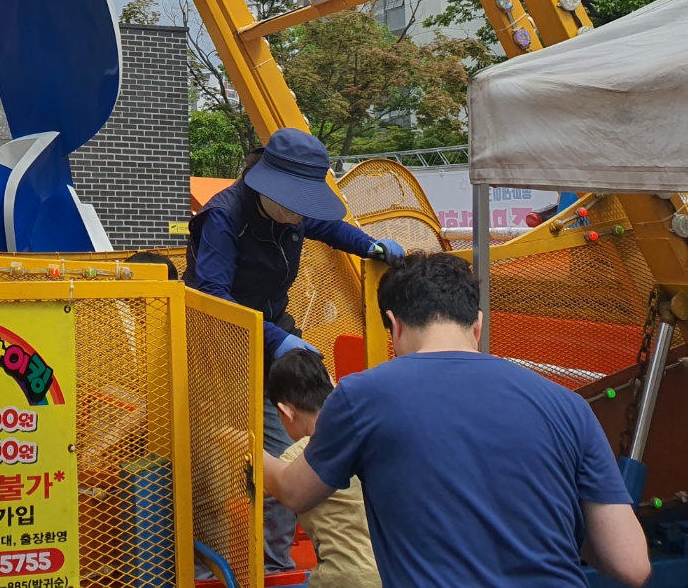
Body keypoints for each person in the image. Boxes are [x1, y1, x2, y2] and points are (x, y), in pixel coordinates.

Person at [264, 252, 651, 588]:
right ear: (477, 324)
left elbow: (296, 492)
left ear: (394, 324)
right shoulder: (569, 406)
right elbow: (631, 564)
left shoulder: (362, 396)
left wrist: (245, 445)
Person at [185, 127, 403, 573]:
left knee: (290, 451)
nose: (299, 215)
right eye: (293, 204)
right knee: (212, 460)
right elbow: (211, 293)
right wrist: (275, 338)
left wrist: (369, 245)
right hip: (217, 343)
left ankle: (273, 563)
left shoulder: (295, 213)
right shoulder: (223, 217)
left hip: (273, 339)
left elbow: (330, 227)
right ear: (266, 187)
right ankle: (207, 568)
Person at [266, 351, 380, 588]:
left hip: (344, 576)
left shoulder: (300, 454)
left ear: (286, 412)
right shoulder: (361, 436)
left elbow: (267, 485)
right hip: (389, 570)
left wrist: (233, 441)